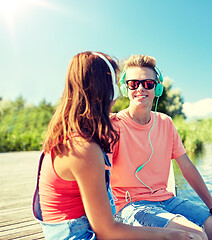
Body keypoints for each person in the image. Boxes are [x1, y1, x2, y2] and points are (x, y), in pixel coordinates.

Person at [32, 51, 201, 240]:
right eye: (116, 81)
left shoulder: (75, 136)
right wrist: (169, 235)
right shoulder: (84, 148)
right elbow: (107, 231)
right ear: (106, 89)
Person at [110, 55, 212, 240]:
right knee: (195, 236)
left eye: (148, 83)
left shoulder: (166, 123)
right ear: (126, 88)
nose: (140, 88)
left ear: (157, 88)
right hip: (131, 206)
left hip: (167, 200)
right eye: (134, 83)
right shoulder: (113, 125)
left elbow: (187, 167)